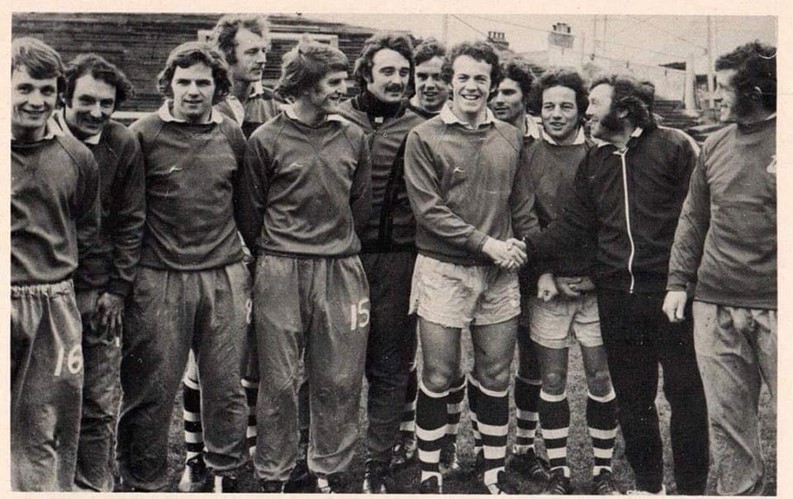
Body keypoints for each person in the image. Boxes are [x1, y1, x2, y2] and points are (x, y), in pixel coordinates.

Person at [523, 73, 709, 495]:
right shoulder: (597, 160)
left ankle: (692, 488)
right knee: (633, 398)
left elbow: (699, 219)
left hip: (670, 296)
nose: (586, 111)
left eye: (595, 103)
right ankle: (648, 486)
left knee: (685, 395)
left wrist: (685, 280)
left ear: (623, 109)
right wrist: (522, 250)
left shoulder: (675, 146)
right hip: (616, 299)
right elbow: (573, 225)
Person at [236, 40, 372, 494]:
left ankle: (326, 469)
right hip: (281, 267)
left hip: (339, 267)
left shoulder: (353, 136)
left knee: (338, 374)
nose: (343, 89)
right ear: (306, 86)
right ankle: (274, 471)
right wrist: (279, 254)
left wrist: (334, 243)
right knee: (278, 377)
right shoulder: (266, 139)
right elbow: (251, 214)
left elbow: (360, 206)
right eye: (334, 83)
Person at [405, 40, 539, 494]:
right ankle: (429, 473)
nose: (471, 86)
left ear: (491, 83)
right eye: (462, 77)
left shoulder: (510, 136)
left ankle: (493, 472)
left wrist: (521, 244)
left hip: (500, 273)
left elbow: (521, 203)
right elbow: (430, 211)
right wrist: (487, 244)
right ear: (449, 81)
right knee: (439, 374)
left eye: (480, 78)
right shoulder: (424, 136)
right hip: (445, 270)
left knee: (496, 374)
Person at [117, 41, 250, 492]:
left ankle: (225, 471)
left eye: (203, 83)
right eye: (184, 82)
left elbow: (242, 205)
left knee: (225, 385)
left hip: (223, 273)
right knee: (151, 387)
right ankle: (142, 478)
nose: (193, 91)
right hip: (160, 275)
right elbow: (127, 212)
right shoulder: (142, 134)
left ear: (218, 87)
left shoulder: (231, 132)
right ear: (168, 85)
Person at [663, 41, 777, 496]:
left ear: (754, 90)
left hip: (776, 305)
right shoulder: (713, 146)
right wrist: (678, 283)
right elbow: (694, 218)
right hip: (715, 305)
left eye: (722, 89)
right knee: (728, 423)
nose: (712, 98)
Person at [177, 14, 284, 492]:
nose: (262, 59)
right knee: (204, 363)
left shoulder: (274, 106)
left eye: (265, 51)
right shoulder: (201, 101)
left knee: (252, 358)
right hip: (209, 254)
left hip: (258, 249)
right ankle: (195, 458)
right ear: (227, 54)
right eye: (252, 52)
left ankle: (253, 453)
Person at [517, 68, 618, 495]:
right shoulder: (525, 154)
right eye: (549, 106)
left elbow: (611, 223)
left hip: (592, 286)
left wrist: (595, 276)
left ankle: (603, 470)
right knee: (552, 379)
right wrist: (542, 272)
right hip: (547, 287)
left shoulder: (601, 154)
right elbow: (523, 217)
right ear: (538, 109)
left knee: (599, 377)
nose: (556, 114)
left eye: (566, 106)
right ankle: (558, 468)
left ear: (581, 111)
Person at [336, 33, 428, 493]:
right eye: (387, 71)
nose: (397, 80)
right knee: (333, 363)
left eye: (403, 73)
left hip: (397, 261)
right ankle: (325, 458)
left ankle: (379, 459)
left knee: (390, 364)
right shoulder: (336, 119)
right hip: (339, 260)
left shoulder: (422, 127)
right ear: (366, 74)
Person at [51, 53, 145, 492]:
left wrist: (118, 289)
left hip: (97, 292)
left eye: (106, 103)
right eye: (85, 100)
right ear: (63, 97)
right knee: (46, 400)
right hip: (45, 291)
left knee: (99, 399)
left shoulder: (121, 142)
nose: (96, 112)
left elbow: (130, 219)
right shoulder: (39, 138)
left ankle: (94, 485)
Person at [11, 36, 101, 491]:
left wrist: (81, 295)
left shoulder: (77, 156)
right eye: (25, 88)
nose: (37, 100)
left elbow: (87, 230)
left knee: (44, 425)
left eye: (47, 91)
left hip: (52, 303)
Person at [393, 37, 466, 477]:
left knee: (448, 361)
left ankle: (450, 440)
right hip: (399, 250)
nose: (432, 84)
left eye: (441, 76)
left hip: (445, 250)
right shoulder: (404, 122)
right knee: (405, 354)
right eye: (423, 76)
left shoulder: (457, 123)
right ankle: (407, 434)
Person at [488, 58, 548, 485]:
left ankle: (525, 447)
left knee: (533, 356)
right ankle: (474, 443)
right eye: (495, 90)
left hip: (534, 257)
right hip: (491, 256)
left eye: (508, 91)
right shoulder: (481, 133)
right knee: (487, 360)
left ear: (525, 97)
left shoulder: (544, 139)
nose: (498, 98)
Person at [489, 57, 541, 145]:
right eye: (493, 94)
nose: (499, 100)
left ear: (526, 96)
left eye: (508, 93)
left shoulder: (545, 136)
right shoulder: (482, 139)